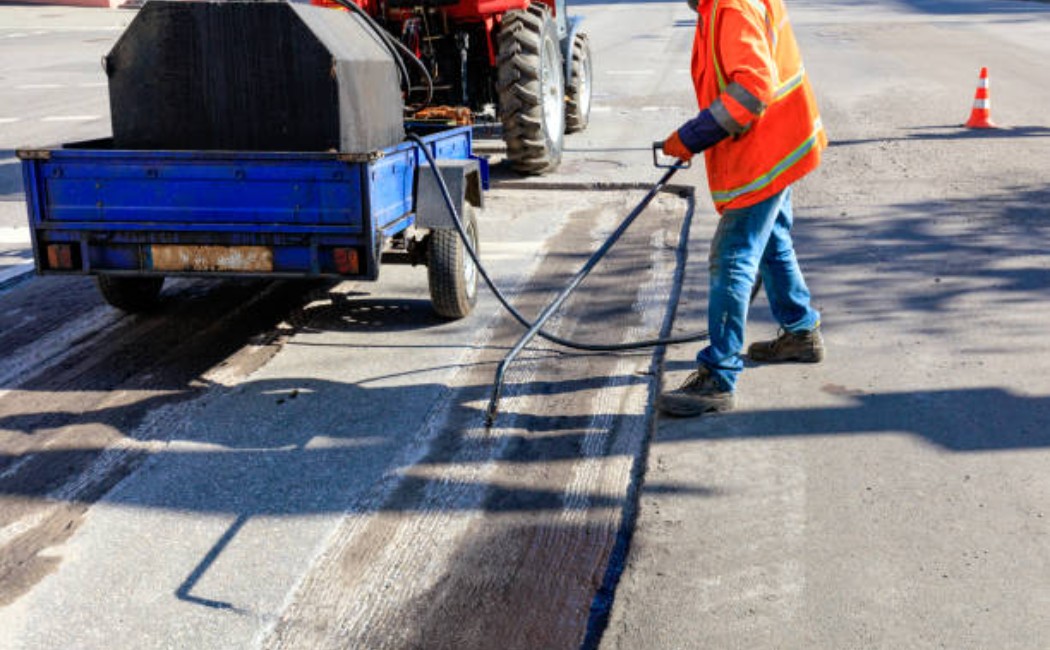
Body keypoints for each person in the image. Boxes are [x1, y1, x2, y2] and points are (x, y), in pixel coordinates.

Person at [656, 0, 827, 417]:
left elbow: (751, 90)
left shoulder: (730, 8)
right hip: (782, 141)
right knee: (771, 240)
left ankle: (718, 376)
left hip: (764, 152)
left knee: (732, 255)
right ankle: (801, 331)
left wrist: (692, 136)